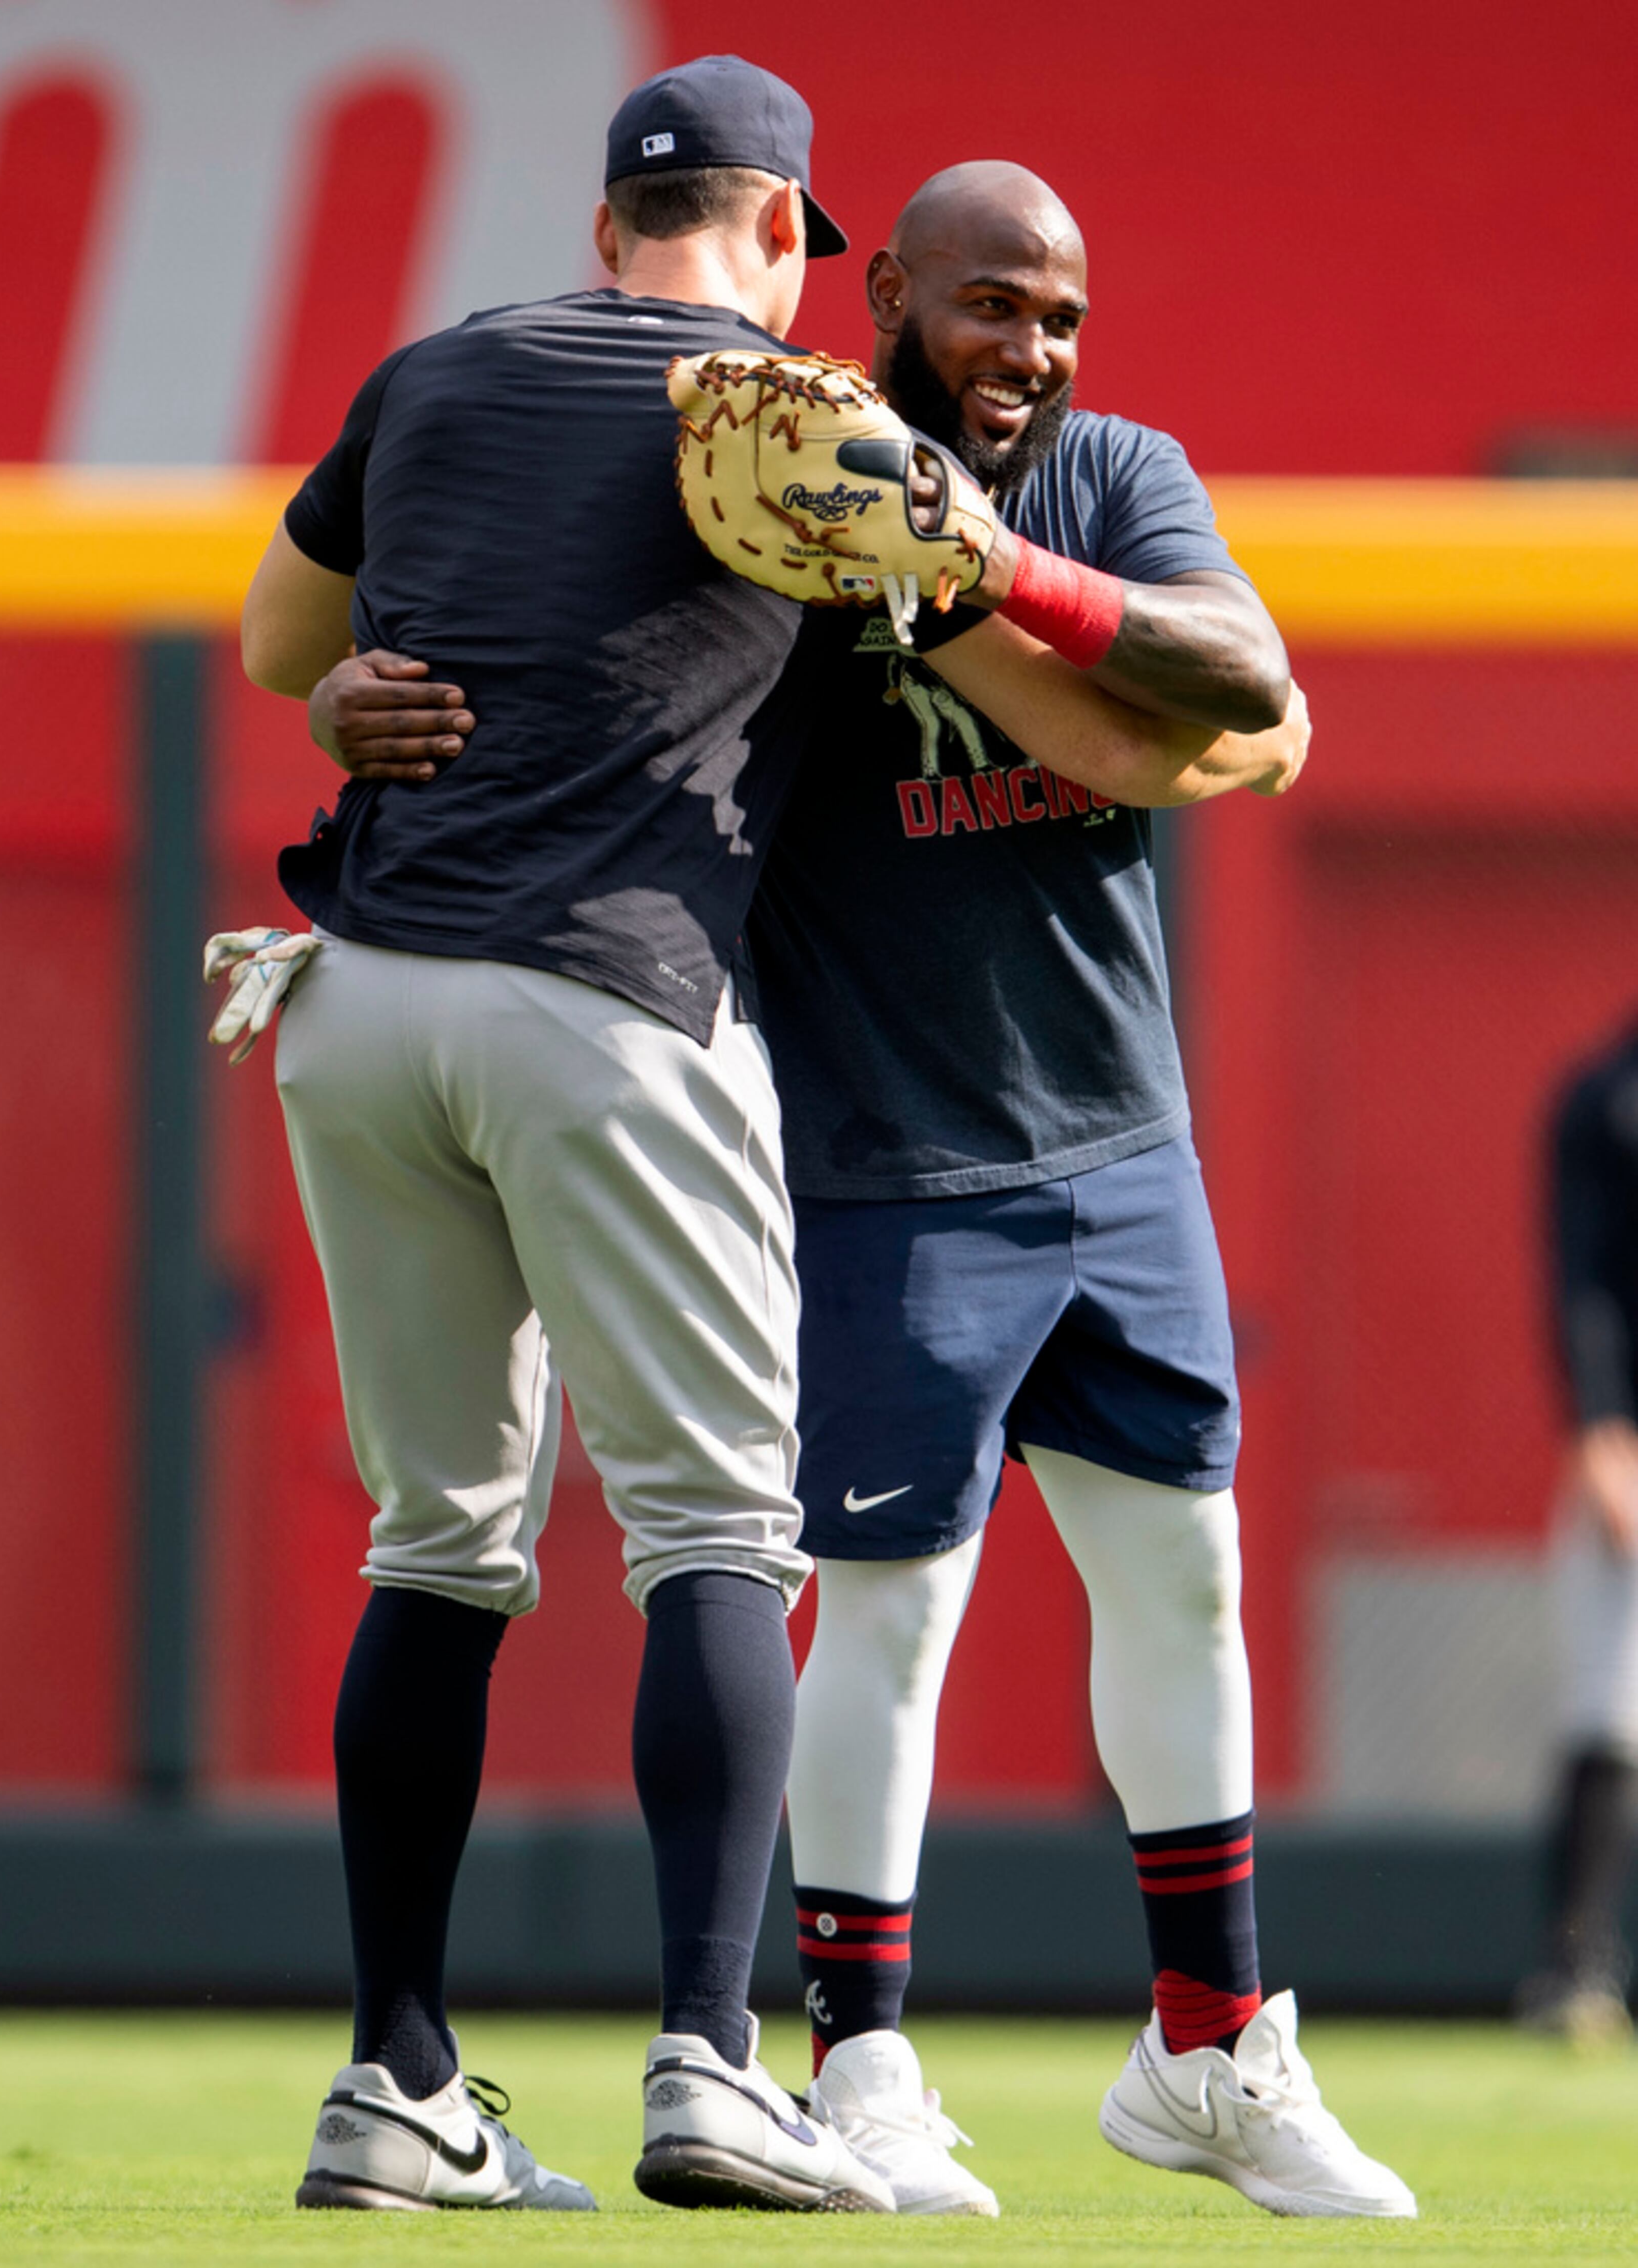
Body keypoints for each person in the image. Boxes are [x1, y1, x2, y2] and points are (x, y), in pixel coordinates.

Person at [316, 161, 1414, 2220]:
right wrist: (338, 697)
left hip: (1118, 1131)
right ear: (884, 288)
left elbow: (1247, 689)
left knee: (1185, 1579)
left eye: (1060, 316)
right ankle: (866, 2063)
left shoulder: (1115, 473)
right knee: (894, 1613)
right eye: (990, 306)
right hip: (882, 1149)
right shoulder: (776, 473)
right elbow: (569, 687)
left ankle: (1214, 2045)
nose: (1030, 349)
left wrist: (993, 567)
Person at [236, 53, 894, 2214]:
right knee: (716, 1525)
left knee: (437, 1541)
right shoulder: (798, 420)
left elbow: (278, 644)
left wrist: (343, 705)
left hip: (362, 995)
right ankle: (713, 2057)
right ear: (785, 232)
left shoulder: (434, 368)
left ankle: (395, 2079)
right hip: (609, 1000)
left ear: (612, 223)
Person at [1515, 1014, 1638, 2047]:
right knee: (1610, 1705)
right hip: (1633, 1446)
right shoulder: (1606, 1096)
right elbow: (1581, 1280)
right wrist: (1599, 1428)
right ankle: (1577, 1965)